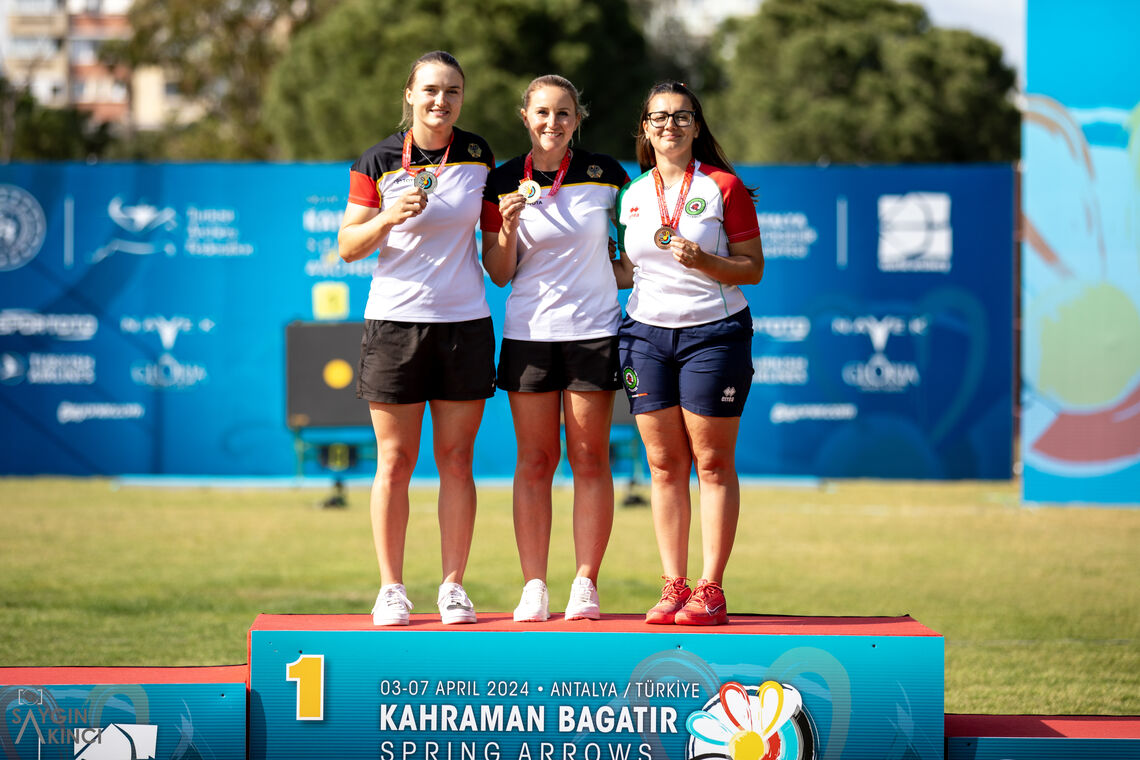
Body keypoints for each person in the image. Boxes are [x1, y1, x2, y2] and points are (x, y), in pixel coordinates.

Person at [337, 51, 496, 626]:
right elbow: (347, 246)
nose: (441, 100)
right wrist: (386, 217)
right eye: (430, 89)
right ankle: (391, 588)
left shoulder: (479, 155)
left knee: (456, 460)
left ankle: (453, 587)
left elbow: (495, 239)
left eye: (452, 91)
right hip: (394, 324)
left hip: (464, 324)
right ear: (409, 94)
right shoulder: (377, 159)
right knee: (396, 460)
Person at [613, 81, 764, 626]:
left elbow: (752, 267)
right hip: (645, 336)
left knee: (713, 463)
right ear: (645, 128)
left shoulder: (723, 186)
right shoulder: (632, 194)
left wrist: (704, 260)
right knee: (663, 465)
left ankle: (711, 588)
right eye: (659, 117)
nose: (670, 126)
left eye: (681, 116)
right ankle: (674, 585)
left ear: (697, 126)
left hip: (713, 333)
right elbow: (628, 270)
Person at [481, 75, 629, 622]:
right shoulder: (501, 180)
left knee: (589, 457)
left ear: (578, 119)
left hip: (594, 332)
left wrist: (624, 268)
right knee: (536, 460)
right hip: (529, 335)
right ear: (525, 116)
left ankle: (585, 583)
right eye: (542, 112)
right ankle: (534, 586)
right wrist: (506, 231)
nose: (552, 122)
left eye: (563, 112)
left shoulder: (607, 174)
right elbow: (500, 274)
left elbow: (629, 256)